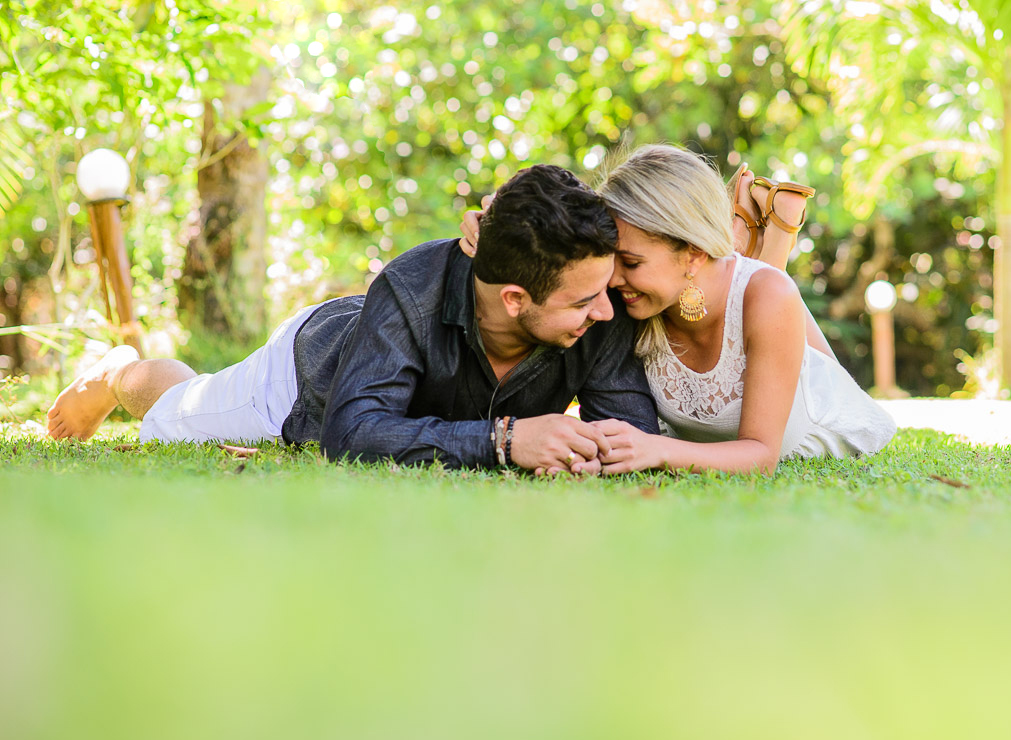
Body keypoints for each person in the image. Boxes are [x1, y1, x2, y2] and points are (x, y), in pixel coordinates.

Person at [46, 165, 659, 473]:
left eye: (603, 292)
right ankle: (120, 372)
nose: (607, 311)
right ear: (514, 299)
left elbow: (627, 429)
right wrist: (502, 441)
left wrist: (582, 459)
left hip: (367, 361)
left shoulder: (594, 296)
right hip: (306, 380)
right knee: (180, 405)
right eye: (583, 304)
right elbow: (353, 431)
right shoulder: (412, 288)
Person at [461, 145, 896, 474]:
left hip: (820, 427)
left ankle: (759, 234)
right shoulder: (628, 302)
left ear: (690, 252)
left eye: (629, 263)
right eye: (613, 261)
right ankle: (749, 228)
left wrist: (657, 450)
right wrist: (500, 232)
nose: (611, 282)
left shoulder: (768, 297)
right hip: (708, 300)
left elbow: (762, 456)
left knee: (765, 283)